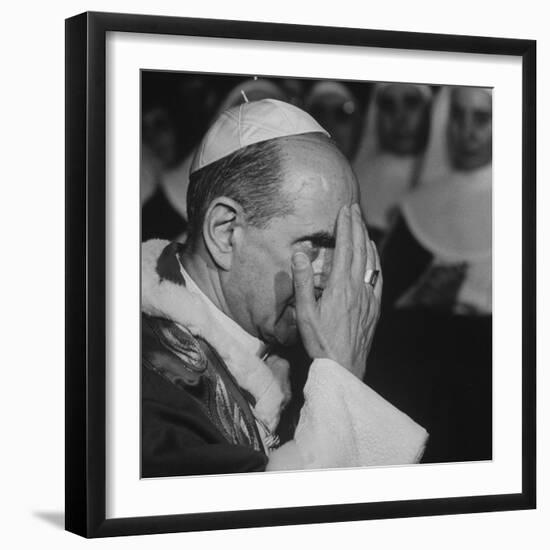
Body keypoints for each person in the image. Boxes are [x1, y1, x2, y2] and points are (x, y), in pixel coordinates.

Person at [140, 98, 428, 477]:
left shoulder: (279, 355)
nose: (336, 278)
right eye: (318, 245)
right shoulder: (143, 382)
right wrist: (340, 380)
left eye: (345, 248)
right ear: (225, 233)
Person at [365, 86, 492, 463]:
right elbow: (384, 319)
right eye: (458, 116)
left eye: (482, 119)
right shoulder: (420, 208)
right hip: (430, 399)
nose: (466, 131)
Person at [352, 83, 433, 244]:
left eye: (411, 103)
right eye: (388, 106)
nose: (400, 118)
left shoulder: (439, 179)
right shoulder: (353, 181)